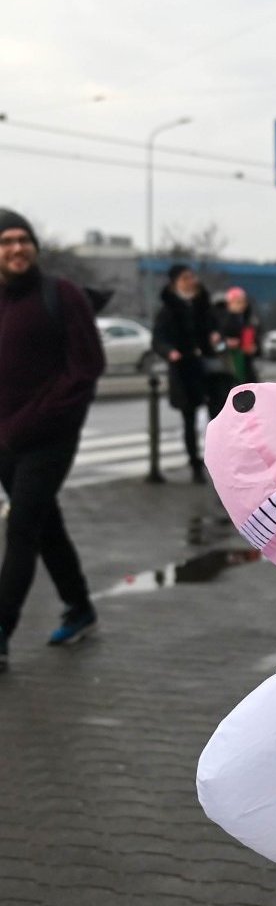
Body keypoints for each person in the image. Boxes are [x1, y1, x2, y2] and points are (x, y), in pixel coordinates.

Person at [0, 209, 105, 671]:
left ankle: (1, 631)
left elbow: (87, 367)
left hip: (49, 438)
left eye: (23, 239)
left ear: (35, 247)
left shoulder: (60, 295)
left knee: (21, 527)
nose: (16, 248)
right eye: (5, 242)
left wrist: (41, 416)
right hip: (5, 442)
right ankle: (79, 606)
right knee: (45, 525)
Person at [152, 264, 224, 483]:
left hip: (209, 368)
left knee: (218, 418)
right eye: (184, 278)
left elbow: (217, 325)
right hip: (184, 369)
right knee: (189, 419)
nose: (190, 281)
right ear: (175, 283)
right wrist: (169, 352)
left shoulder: (204, 305)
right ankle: (195, 464)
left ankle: (219, 460)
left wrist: (215, 335)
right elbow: (158, 339)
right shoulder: (167, 310)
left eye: (191, 277)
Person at [218, 286, 262, 385]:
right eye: (237, 302)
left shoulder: (250, 321)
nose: (241, 305)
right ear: (228, 304)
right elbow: (216, 346)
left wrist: (255, 349)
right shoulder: (221, 321)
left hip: (246, 365)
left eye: (243, 302)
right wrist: (226, 344)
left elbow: (257, 345)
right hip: (227, 365)